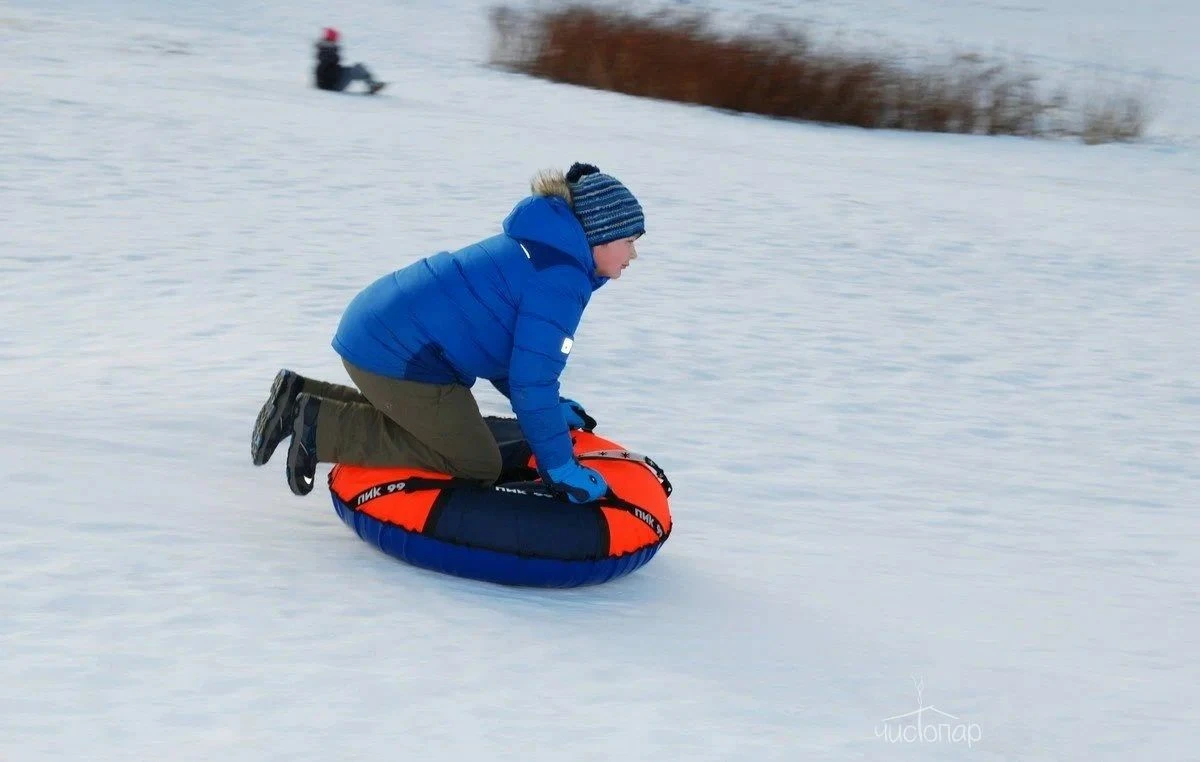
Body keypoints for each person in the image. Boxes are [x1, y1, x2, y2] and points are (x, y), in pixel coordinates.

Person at [251, 162, 645, 503]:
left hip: (376, 327)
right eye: (629, 242)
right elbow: (532, 381)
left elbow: (506, 346)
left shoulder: (543, 250)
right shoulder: (560, 282)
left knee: (432, 417)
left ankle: (298, 397)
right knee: (476, 461)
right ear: (601, 236)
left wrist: (553, 407)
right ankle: (321, 425)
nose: (633, 255)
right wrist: (560, 468)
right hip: (400, 354)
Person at [313, 27, 386, 95]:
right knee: (356, 69)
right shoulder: (326, 52)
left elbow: (332, 65)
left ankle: (372, 84)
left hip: (335, 79)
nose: (336, 42)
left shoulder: (326, 50)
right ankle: (372, 85)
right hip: (332, 85)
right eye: (335, 39)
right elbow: (326, 69)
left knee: (358, 67)